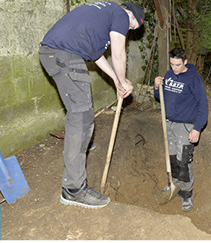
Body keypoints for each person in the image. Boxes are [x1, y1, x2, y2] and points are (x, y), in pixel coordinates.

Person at [39, 1, 145, 209]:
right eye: (133, 26)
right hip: (64, 55)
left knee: (81, 115)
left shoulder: (103, 15)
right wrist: (124, 81)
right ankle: (74, 189)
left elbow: (97, 55)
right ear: (130, 15)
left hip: (57, 53)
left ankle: (78, 149)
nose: (130, 29)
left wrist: (116, 79)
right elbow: (118, 54)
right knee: (81, 117)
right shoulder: (120, 14)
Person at [154, 48, 208, 212]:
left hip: (186, 126)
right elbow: (160, 97)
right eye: (171, 64)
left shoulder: (193, 79)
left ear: (185, 62)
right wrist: (157, 87)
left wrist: (197, 128)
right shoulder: (169, 75)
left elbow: (203, 105)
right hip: (169, 124)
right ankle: (176, 185)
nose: (174, 68)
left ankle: (187, 194)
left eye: (177, 64)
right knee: (173, 158)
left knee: (184, 160)